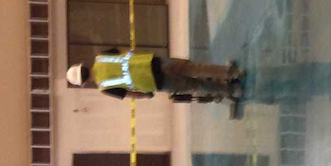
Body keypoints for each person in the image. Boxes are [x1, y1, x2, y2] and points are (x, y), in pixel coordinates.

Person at [66, 50, 243, 100]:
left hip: (157, 82)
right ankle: (232, 72)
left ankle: (231, 90)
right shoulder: (102, 57)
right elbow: (125, 53)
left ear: (84, 82)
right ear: (83, 65)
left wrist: (146, 95)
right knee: (195, 69)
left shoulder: (104, 87)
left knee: (195, 85)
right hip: (155, 62)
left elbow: (130, 94)